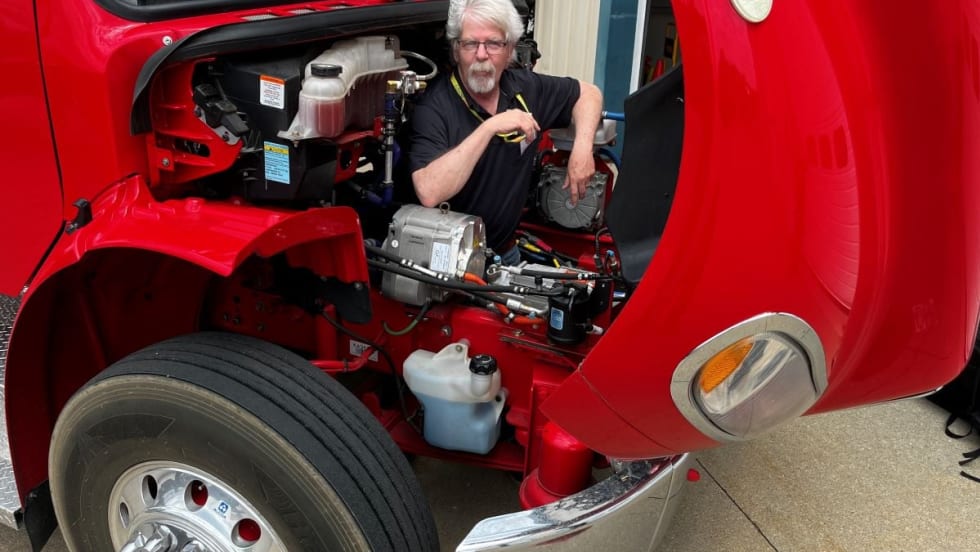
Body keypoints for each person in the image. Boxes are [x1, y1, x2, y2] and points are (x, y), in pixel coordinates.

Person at [410, 0, 603, 264]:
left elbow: (589, 93)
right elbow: (429, 191)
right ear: (456, 50)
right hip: (444, 263)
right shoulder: (434, 106)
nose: (481, 54)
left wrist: (582, 149)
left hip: (504, 255)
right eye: (470, 44)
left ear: (510, 48)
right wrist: (490, 127)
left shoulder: (524, 88)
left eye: (493, 43)